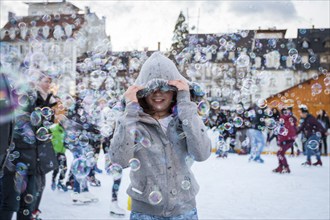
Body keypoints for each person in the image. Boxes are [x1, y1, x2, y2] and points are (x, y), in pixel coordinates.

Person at [109, 52, 211, 219]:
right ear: (142, 93)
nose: (158, 93)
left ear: (175, 91)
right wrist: (130, 111)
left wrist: (185, 103)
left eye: (165, 88)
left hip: (184, 210)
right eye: (151, 88)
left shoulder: (185, 120)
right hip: (145, 212)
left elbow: (202, 154)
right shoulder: (132, 121)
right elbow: (119, 160)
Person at [268, 107, 297, 174]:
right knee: (280, 153)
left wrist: (281, 140)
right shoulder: (287, 120)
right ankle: (281, 167)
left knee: (280, 153)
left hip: (288, 140)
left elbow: (286, 131)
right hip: (288, 140)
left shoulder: (286, 120)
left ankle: (286, 167)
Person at [49, 122, 68, 191]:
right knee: (56, 168)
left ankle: (60, 182)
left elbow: (65, 141)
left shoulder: (65, 131)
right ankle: (53, 181)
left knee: (65, 168)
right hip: (55, 152)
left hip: (62, 152)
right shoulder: (53, 128)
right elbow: (47, 136)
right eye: (65, 123)